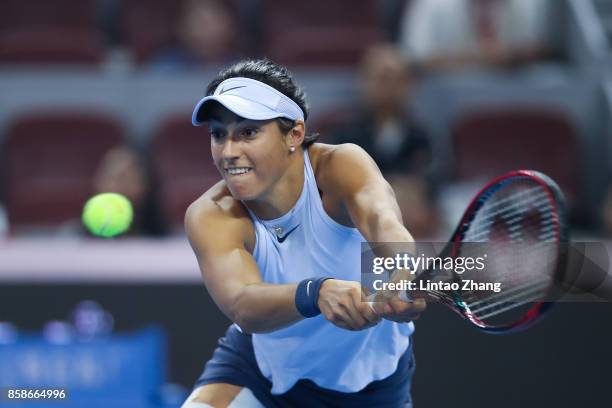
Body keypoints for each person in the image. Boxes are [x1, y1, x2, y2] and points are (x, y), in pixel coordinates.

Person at [182, 59, 426, 407]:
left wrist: (403, 275)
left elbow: (384, 223)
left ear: (294, 134)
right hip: (260, 375)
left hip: (372, 390)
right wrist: (316, 292)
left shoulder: (341, 167)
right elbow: (243, 305)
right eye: (219, 134)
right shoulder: (211, 214)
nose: (229, 152)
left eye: (248, 132)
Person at [398, 0, 557, 72]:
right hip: (446, 104)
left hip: (514, 102)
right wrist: (484, 58)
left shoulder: (527, 4)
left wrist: (516, 56)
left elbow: (540, 51)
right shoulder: (432, 4)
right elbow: (413, 61)